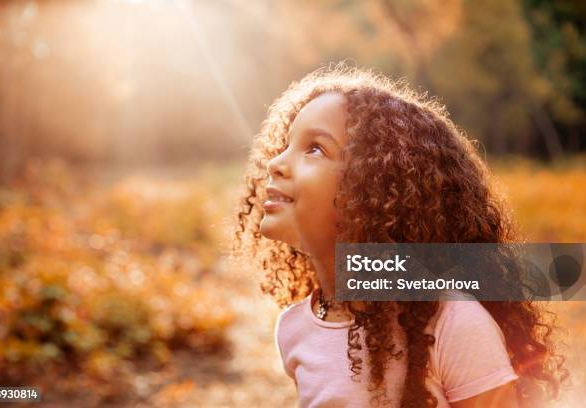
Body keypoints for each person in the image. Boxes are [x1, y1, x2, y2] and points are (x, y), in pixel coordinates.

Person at [232, 65, 566, 407]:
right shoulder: (294, 329)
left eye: (315, 148)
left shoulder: (454, 325)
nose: (276, 163)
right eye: (286, 145)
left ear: (371, 191)